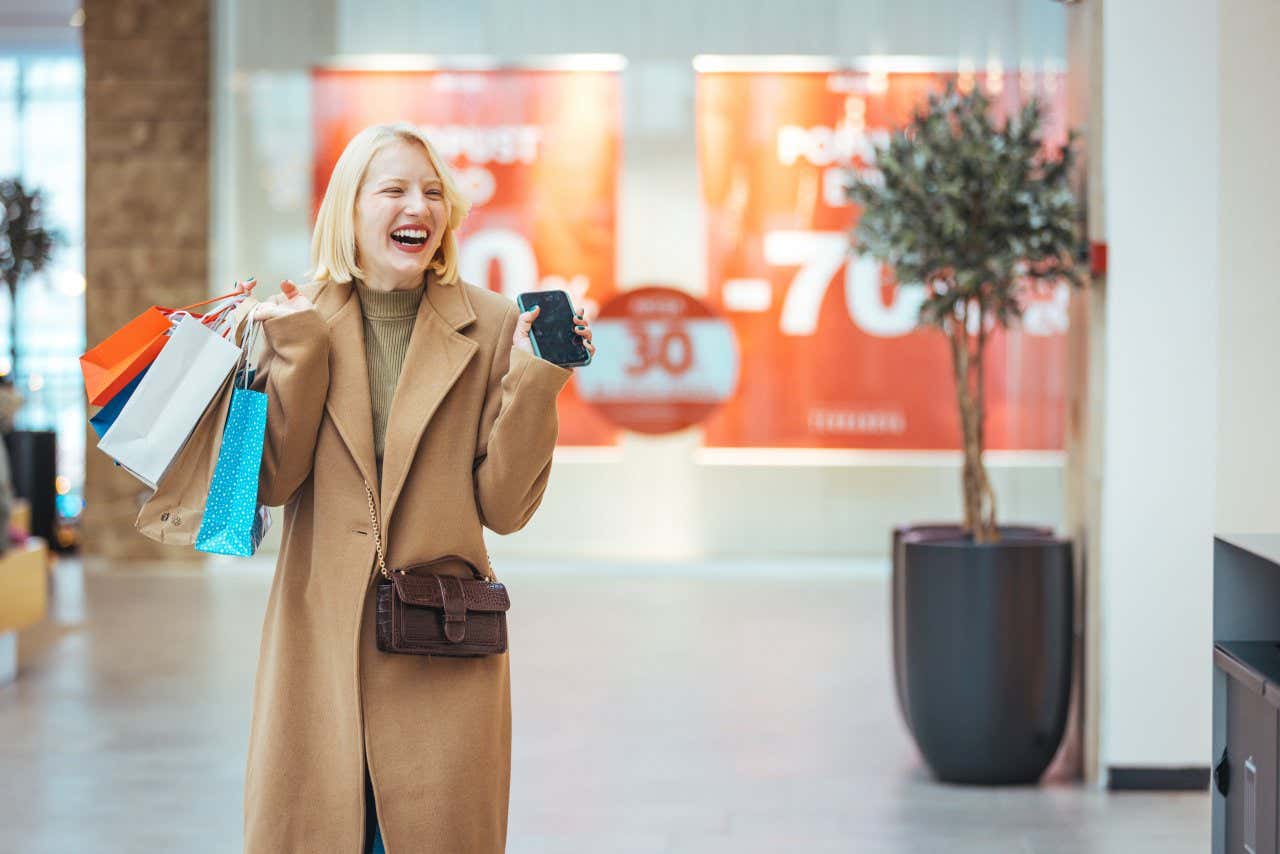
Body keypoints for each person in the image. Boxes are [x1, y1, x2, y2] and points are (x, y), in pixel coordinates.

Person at [234, 122, 594, 853]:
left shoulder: (492, 324)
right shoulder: (296, 317)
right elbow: (272, 481)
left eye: (433, 193)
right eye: (394, 189)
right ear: (350, 208)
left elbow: (505, 507)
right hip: (319, 648)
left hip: (442, 643)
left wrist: (537, 377)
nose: (419, 208)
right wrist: (294, 353)